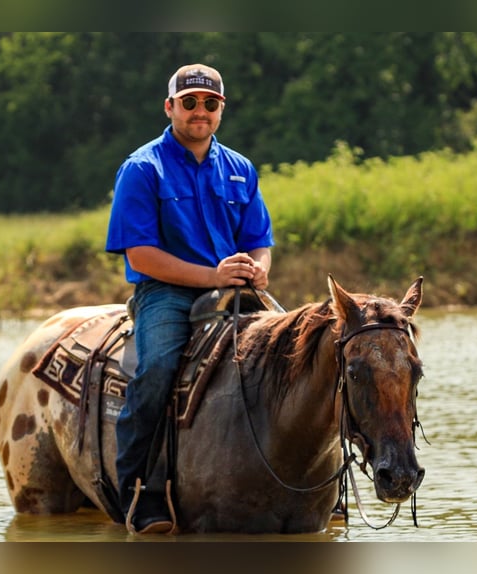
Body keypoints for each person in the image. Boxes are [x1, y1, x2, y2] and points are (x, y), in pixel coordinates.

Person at [105, 63, 274, 533]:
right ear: (170, 107)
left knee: (305, 353)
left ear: (221, 110)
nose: (200, 111)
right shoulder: (142, 168)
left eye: (210, 103)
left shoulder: (241, 169)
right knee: (157, 368)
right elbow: (141, 254)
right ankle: (139, 491)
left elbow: (260, 238)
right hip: (168, 293)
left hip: (237, 289)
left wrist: (258, 268)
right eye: (190, 102)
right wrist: (210, 276)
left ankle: (320, 483)